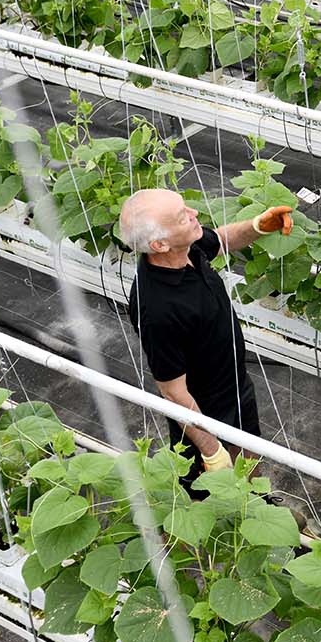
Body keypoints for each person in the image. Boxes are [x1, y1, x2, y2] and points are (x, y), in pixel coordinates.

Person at [119, 188, 293, 489]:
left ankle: (254, 507)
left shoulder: (184, 248)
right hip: (202, 411)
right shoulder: (158, 309)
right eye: (181, 216)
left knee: (249, 458)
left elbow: (222, 240)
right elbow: (173, 392)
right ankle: (193, 531)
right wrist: (210, 449)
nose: (194, 214)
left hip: (235, 386)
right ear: (159, 244)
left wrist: (257, 226)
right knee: (203, 491)